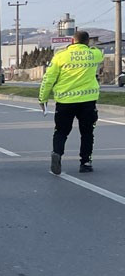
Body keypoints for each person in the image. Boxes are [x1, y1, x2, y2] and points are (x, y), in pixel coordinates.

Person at [39, 30, 104, 174]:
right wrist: (88, 47)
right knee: (87, 133)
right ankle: (86, 162)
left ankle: (57, 153)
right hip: (88, 101)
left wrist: (42, 98)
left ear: (72, 41)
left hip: (65, 102)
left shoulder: (61, 56)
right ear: (87, 42)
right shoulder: (94, 54)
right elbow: (98, 52)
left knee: (61, 131)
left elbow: (48, 79)